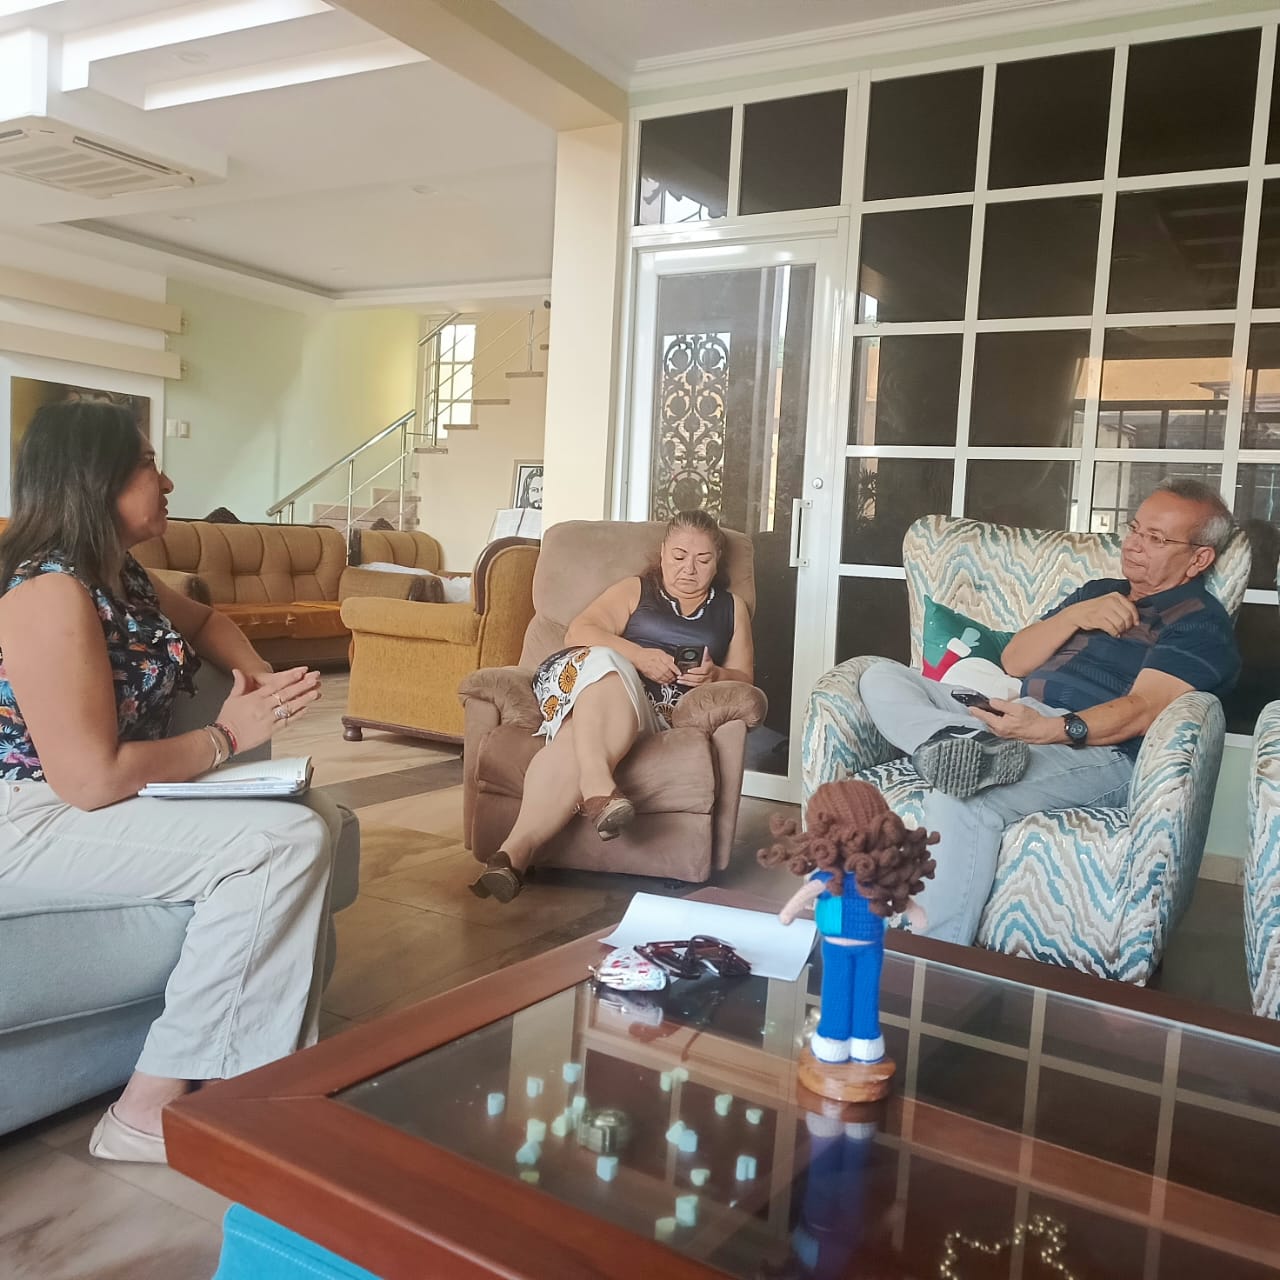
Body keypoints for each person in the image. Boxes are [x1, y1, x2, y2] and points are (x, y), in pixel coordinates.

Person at [0, 401, 339, 1165]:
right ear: (96, 478)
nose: (167, 481)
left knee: (312, 814)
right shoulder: (48, 593)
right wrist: (227, 738)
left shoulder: (120, 576)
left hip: (92, 800)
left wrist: (258, 678)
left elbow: (209, 622)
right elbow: (90, 779)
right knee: (279, 843)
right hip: (28, 817)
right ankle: (146, 1110)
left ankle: (254, 1079)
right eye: (149, 464)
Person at [858, 479, 1241, 947]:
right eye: (1134, 529)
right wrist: (1074, 616)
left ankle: (933, 960)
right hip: (1019, 711)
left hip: (1097, 748)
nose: (1134, 545)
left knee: (964, 796)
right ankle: (952, 742)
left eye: (1156, 539)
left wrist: (1051, 729)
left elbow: (1142, 711)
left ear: (1199, 559)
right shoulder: (1100, 591)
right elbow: (1015, 661)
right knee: (881, 676)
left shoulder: (1199, 624)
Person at [470, 509, 754, 903]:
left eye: (702, 559)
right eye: (678, 556)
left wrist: (716, 675)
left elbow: (744, 677)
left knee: (574, 739)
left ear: (717, 561)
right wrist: (638, 656)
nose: (688, 569)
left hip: (648, 710)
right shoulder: (636, 589)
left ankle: (511, 857)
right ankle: (597, 787)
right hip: (578, 680)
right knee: (606, 660)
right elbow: (579, 631)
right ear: (663, 552)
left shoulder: (731, 608)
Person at [763, 781, 935, 1065]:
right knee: (847, 990)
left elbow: (807, 894)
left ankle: (849, 1038)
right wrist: (790, 911)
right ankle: (850, 1038)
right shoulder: (843, 877)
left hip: (861, 945)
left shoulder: (875, 876)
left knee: (853, 989)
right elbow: (809, 892)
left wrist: (788, 913)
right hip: (852, 945)